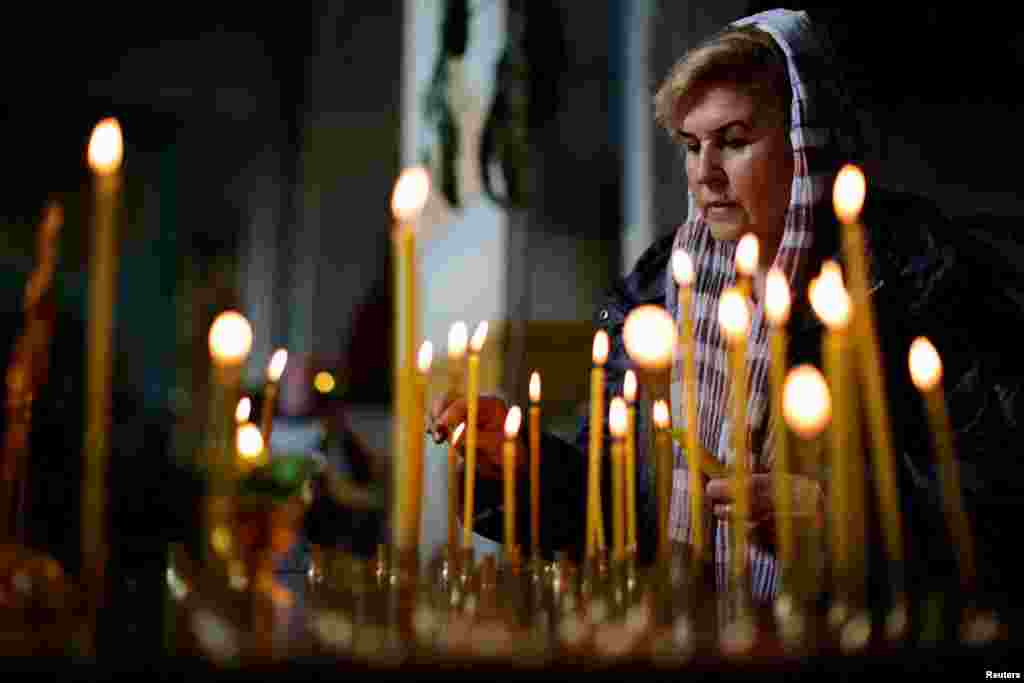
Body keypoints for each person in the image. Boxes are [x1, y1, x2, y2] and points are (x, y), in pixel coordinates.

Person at [429, 8, 1024, 616]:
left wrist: (840, 516)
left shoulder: (914, 280)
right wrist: (526, 467)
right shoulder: (661, 288)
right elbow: (616, 499)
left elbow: (1000, 508)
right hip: (689, 634)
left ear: (804, 142)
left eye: (734, 142)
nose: (705, 174)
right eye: (691, 147)